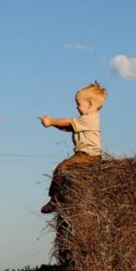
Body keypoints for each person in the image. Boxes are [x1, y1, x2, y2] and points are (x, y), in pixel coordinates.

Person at [38, 81, 106, 214]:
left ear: (90, 104)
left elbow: (68, 122)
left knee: (62, 168)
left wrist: (51, 121)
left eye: (78, 104)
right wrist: (52, 124)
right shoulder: (86, 120)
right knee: (67, 173)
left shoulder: (90, 119)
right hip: (84, 155)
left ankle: (55, 200)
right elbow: (67, 126)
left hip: (88, 156)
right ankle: (61, 197)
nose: (77, 107)